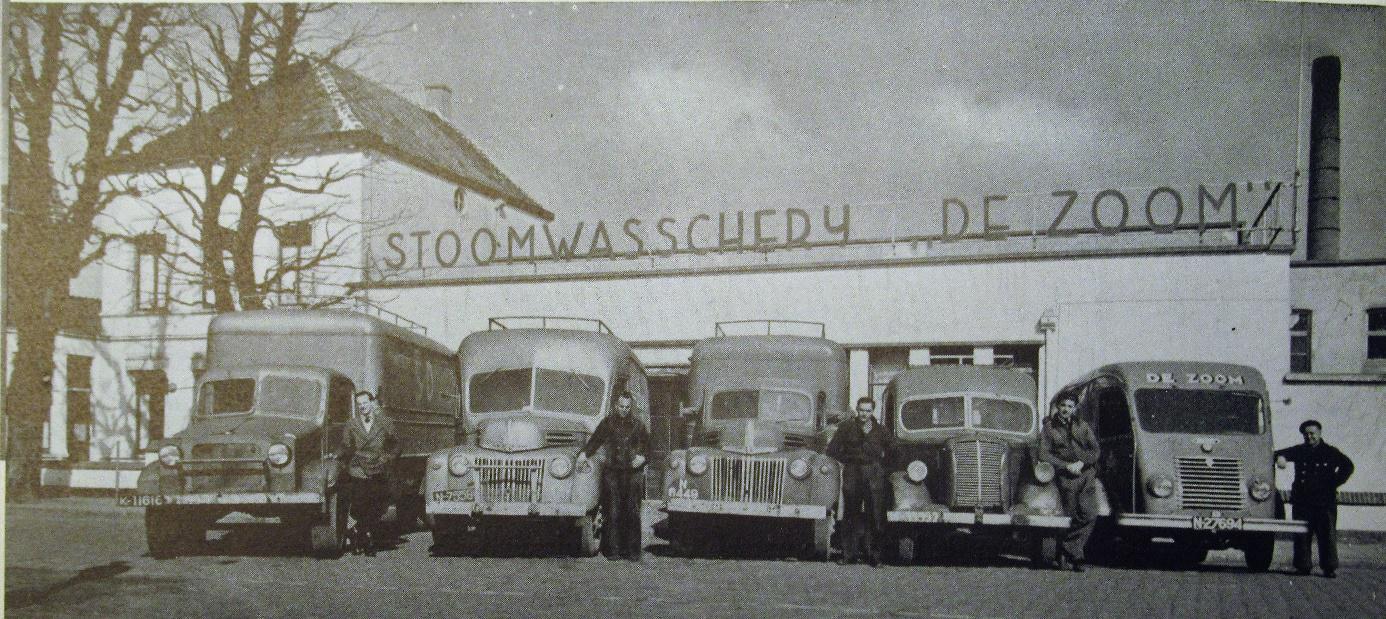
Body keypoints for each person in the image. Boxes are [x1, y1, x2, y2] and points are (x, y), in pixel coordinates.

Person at [1276, 419, 1354, 578]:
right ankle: (1302, 566)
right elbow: (1277, 453)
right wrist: (1281, 458)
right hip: (1302, 501)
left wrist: (1333, 483)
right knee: (1302, 535)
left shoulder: (1330, 452)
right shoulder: (1299, 450)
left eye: (1312, 433)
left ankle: (1329, 567)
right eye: (1306, 434)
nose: (1309, 437)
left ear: (1319, 433)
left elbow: (1348, 466)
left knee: (1327, 535)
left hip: (1324, 502)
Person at [577, 391, 650, 561]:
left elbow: (648, 447)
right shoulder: (607, 423)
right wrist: (584, 454)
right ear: (616, 406)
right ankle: (612, 550)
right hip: (612, 472)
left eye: (627, 407)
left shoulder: (638, 425)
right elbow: (595, 441)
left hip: (632, 473)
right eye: (621, 406)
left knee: (632, 511)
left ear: (631, 407)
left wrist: (643, 458)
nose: (624, 409)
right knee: (612, 510)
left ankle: (632, 551)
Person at [1038, 394, 1100, 572]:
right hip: (1066, 477)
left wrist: (1082, 462)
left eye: (1070, 406)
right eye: (1063, 405)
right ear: (1058, 407)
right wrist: (1066, 466)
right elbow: (1044, 454)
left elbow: (1095, 450)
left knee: (1090, 513)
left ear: (1075, 408)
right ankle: (1073, 556)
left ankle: (1068, 549)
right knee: (1069, 516)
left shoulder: (1082, 426)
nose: (1066, 409)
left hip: (1086, 474)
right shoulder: (1049, 428)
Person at [826, 396, 890, 567]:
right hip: (853, 471)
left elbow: (894, 451)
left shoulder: (881, 430)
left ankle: (874, 556)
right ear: (857, 409)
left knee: (875, 514)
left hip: (874, 473)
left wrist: (882, 467)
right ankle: (849, 555)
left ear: (873, 411)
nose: (864, 414)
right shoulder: (846, 428)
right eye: (861, 410)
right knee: (850, 513)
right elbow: (832, 449)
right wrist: (847, 460)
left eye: (868, 411)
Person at [339, 390, 400, 556]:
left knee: (379, 504)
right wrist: (338, 457)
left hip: (379, 466)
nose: (362, 407)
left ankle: (357, 531)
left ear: (372, 403)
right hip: (359, 467)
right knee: (362, 503)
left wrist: (388, 458)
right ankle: (367, 540)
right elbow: (346, 446)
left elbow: (396, 444)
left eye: (365, 403)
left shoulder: (385, 422)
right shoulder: (351, 424)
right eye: (359, 404)